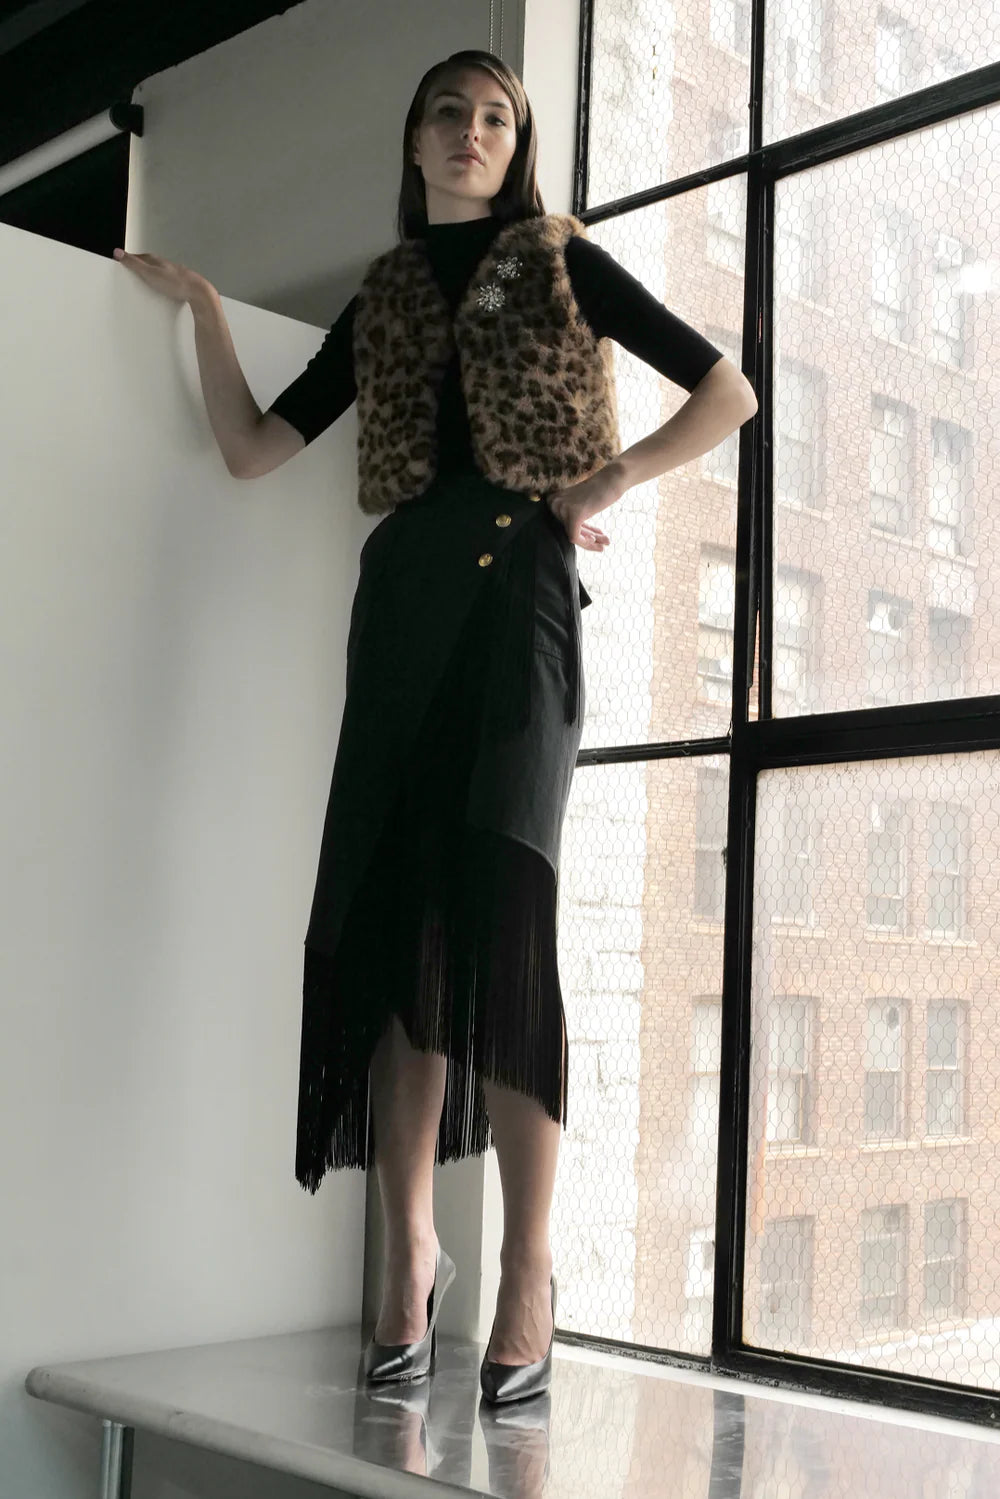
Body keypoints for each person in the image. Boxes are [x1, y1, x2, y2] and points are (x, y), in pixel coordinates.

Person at [114, 48, 756, 1404]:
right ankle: (406, 1256)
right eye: (448, 113)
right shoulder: (388, 295)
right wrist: (209, 314)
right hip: (401, 605)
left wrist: (614, 473)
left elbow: (726, 390)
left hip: (521, 599)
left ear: (515, 147)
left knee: (505, 920)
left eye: (496, 116)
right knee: (402, 933)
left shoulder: (562, 261)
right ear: (411, 142)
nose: (471, 131)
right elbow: (251, 449)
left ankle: (528, 1272)